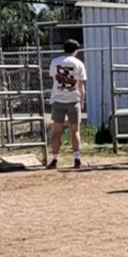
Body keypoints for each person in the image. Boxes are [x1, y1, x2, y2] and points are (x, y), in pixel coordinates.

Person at [46, 38, 88, 170]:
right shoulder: (79, 63)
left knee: (56, 131)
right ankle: (76, 158)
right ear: (75, 50)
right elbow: (81, 85)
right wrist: (82, 100)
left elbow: (54, 77)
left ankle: (54, 159)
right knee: (75, 130)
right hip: (73, 99)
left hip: (58, 99)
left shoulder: (55, 62)